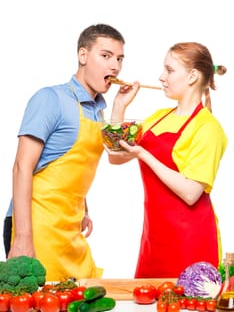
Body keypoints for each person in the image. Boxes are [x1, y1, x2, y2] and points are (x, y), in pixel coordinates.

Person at [4, 23, 131, 281]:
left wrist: (83, 208)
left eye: (119, 59)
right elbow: (22, 167)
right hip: (36, 226)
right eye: (105, 56)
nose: (115, 66)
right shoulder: (50, 99)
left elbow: (112, 156)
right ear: (83, 56)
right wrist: (23, 238)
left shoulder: (98, 110)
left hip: (70, 229)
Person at [104, 42, 228, 278]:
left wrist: (143, 154)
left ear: (192, 76)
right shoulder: (158, 118)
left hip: (191, 241)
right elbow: (116, 156)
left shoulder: (208, 128)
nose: (162, 77)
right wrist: (119, 107)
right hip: (154, 239)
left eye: (169, 70)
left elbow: (191, 193)